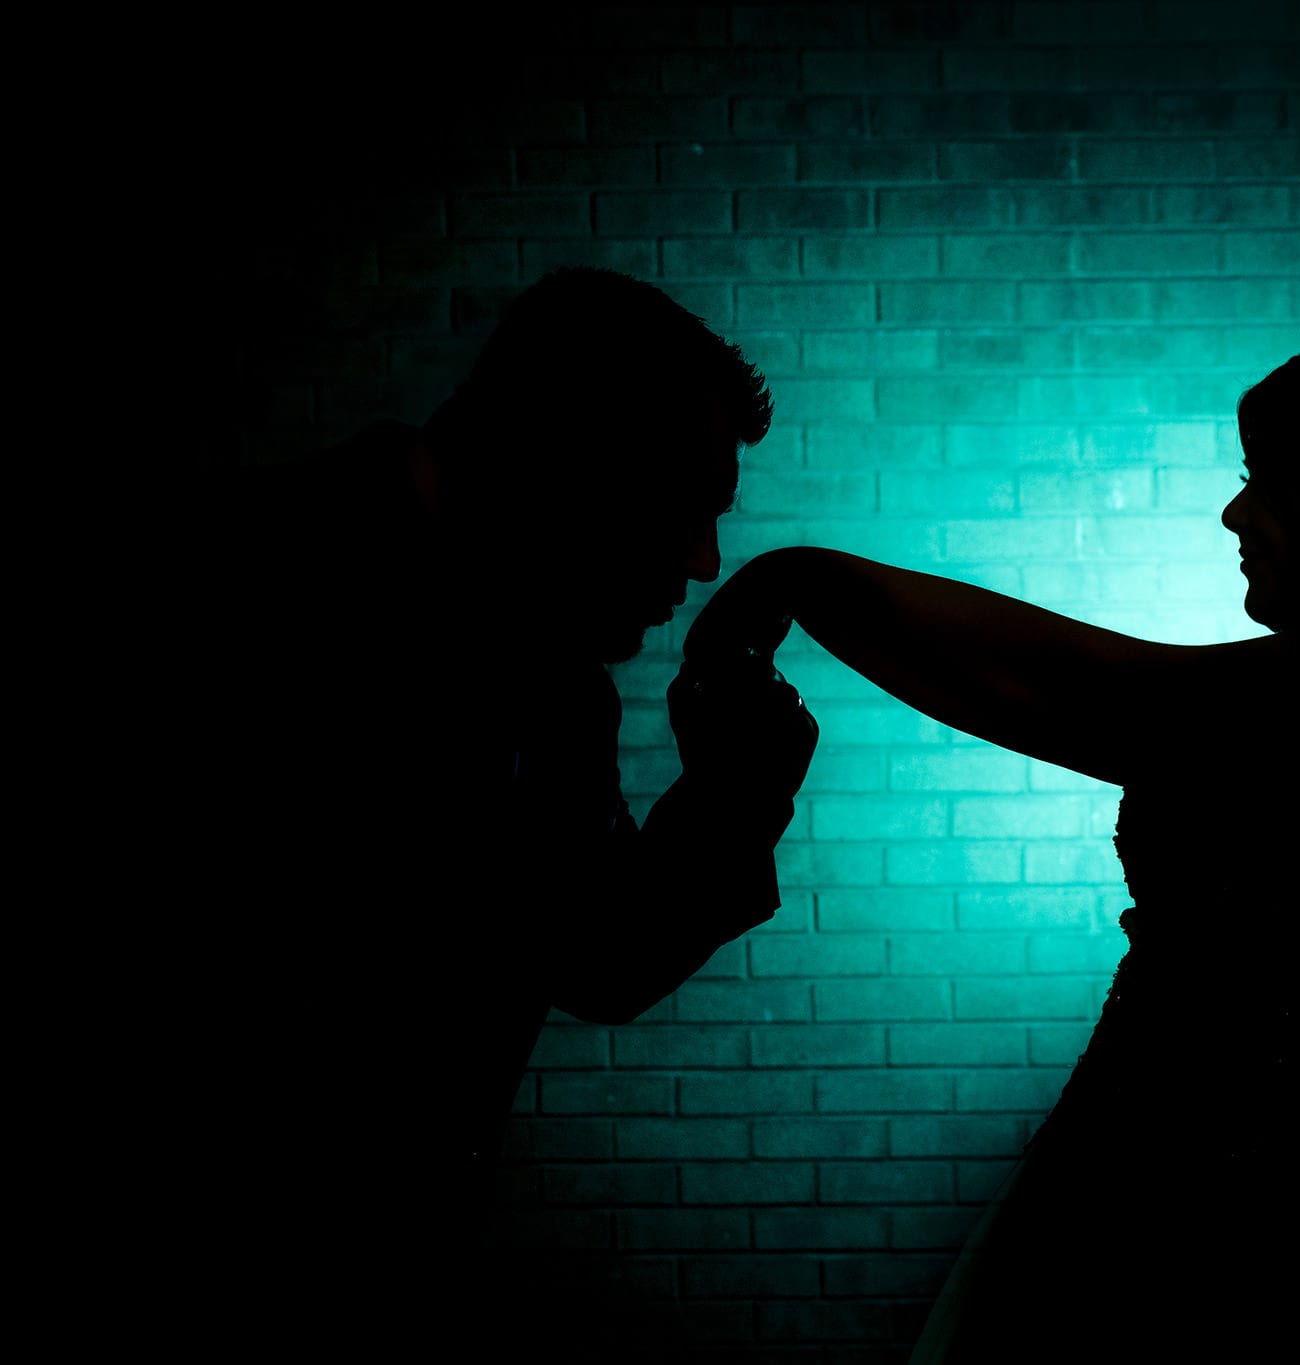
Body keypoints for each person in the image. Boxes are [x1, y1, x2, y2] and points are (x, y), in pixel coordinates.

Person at [683, 330, 1300, 1361]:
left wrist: (792, 580)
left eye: (1265, 482)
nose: (1233, 514)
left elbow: (1063, 689)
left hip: (1227, 1254)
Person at [149, 267, 817, 1355]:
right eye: (683, 507)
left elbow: (598, 955)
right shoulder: (223, 591)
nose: (701, 564)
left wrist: (735, 796)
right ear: (569, 462)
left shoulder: (551, 680)